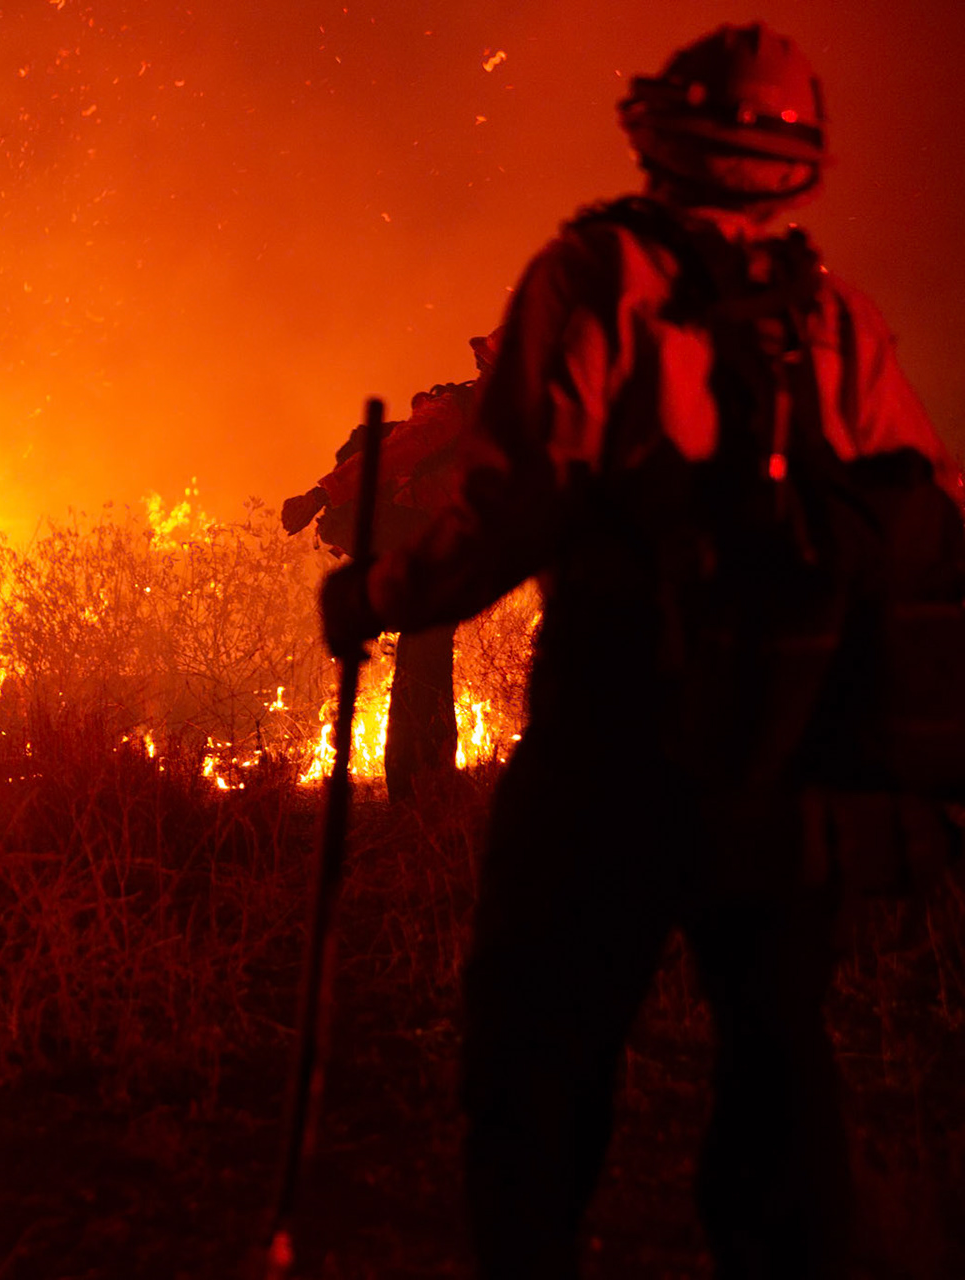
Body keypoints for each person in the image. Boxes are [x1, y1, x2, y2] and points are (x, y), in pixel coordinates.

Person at [321, 24, 964, 1277]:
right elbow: (917, 509)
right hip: (786, 745)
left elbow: (516, 503)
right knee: (778, 1050)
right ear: (800, 161)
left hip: (614, 725)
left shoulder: (595, 277)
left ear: (659, 133)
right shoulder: (838, 317)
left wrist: (378, 594)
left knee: (536, 1047)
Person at [282, 332, 500, 802]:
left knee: (431, 653)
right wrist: (323, 494)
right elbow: (390, 455)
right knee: (426, 653)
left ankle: (427, 777)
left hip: (443, 543)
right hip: (410, 534)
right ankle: (417, 782)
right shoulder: (452, 411)